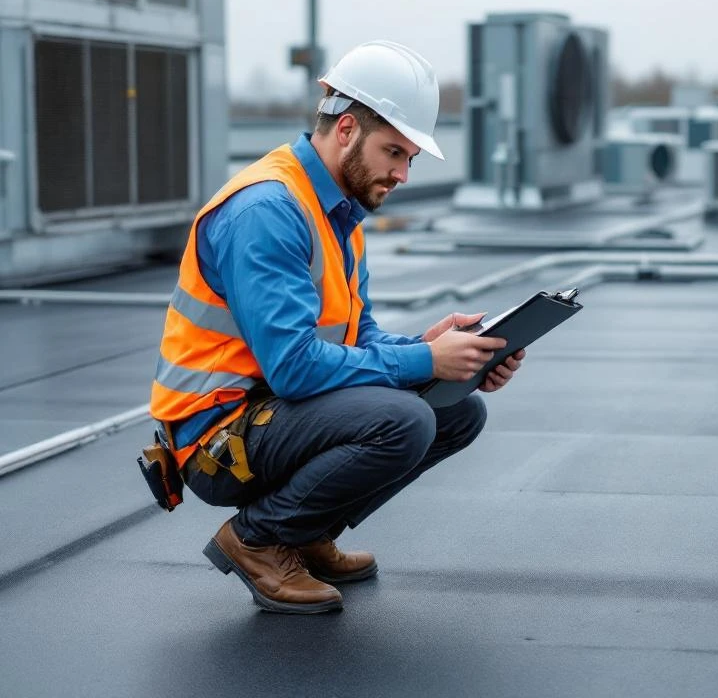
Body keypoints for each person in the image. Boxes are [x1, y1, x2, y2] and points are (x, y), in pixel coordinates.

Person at [149, 40, 526, 614]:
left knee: (456, 408)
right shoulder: (268, 211)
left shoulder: (340, 211)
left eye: (410, 159)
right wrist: (424, 364)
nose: (402, 173)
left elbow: (357, 339)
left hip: (269, 412)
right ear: (346, 129)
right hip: (216, 438)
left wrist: (436, 351)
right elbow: (296, 367)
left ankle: (302, 533)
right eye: (393, 152)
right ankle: (259, 540)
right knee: (403, 418)